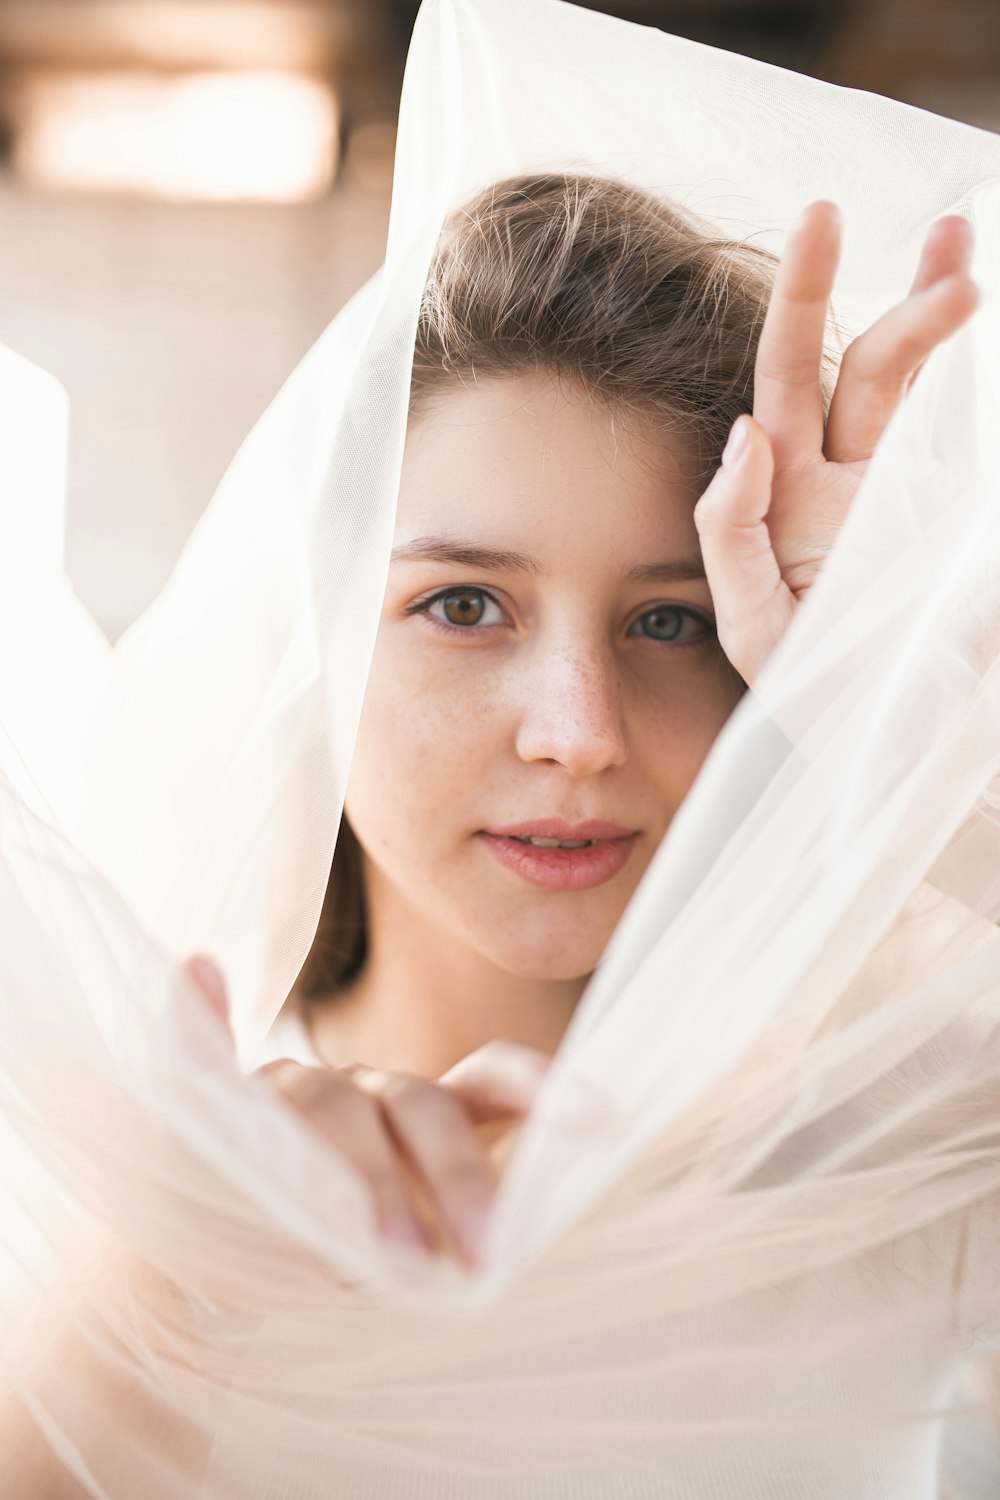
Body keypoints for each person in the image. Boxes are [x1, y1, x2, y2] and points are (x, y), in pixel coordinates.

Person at [185, 170, 979, 1269]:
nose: (580, 732)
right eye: (461, 607)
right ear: (308, 643)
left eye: (670, 621)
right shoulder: (146, 1175)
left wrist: (897, 719)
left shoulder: (920, 1164)